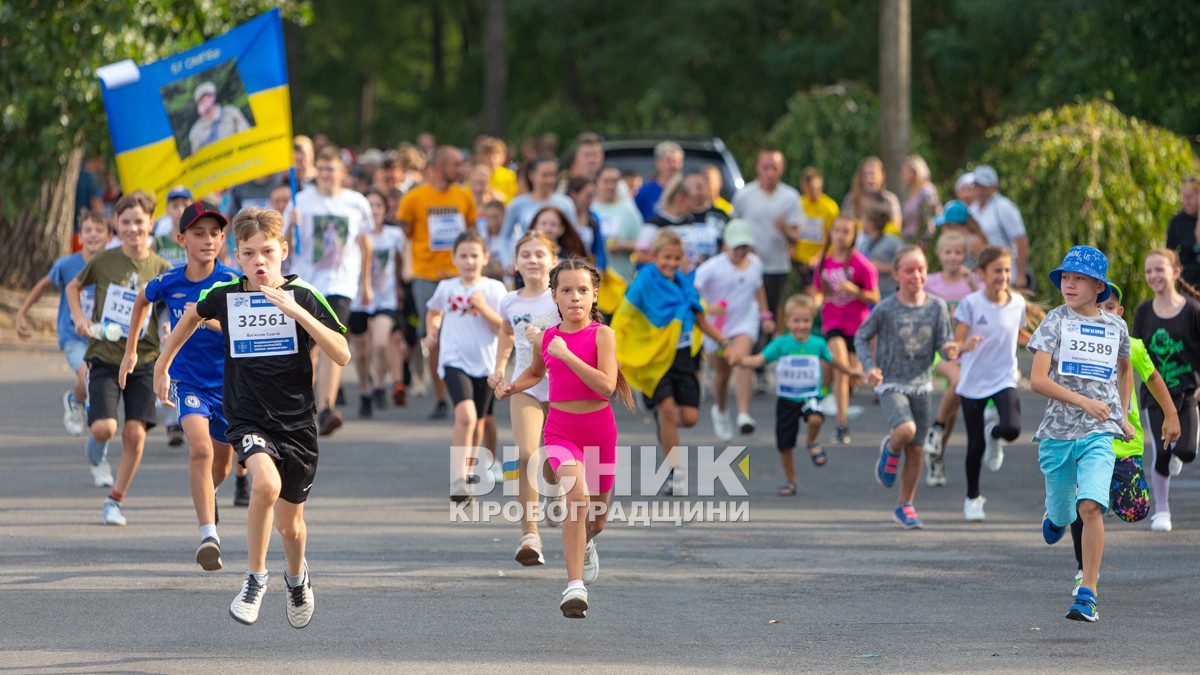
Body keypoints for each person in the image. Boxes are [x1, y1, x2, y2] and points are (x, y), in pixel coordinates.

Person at [156, 206, 349, 627]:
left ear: (283, 249)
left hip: (296, 423)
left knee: (292, 526)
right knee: (264, 481)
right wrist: (161, 364)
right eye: (248, 253)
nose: (258, 261)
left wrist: (296, 313)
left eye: (266, 251)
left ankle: (296, 578)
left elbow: (342, 352)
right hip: (246, 416)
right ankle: (254, 578)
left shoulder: (304, 295)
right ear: (237, 256)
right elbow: (192, 315)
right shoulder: (228, 295)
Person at [495, 257, 635, 618]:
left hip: (599, 431)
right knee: (577, 495)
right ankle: (575, 587)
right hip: (561, 430)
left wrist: (568, 355)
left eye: (583, 290)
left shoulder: (604, 335)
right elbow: (534, 372)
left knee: (597, 519)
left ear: (594, 296)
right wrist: (512, 387)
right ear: (554, 297)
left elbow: (605, 385)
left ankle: (586, 543)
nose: (575, 297)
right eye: (567, 291)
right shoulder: (549, 339)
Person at [121, 201, 239, 567]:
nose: (208, 240)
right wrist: (132, 351)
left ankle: (209, 495)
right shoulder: (169, 281)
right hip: (187, 382)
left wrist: (201, 319)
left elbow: (237, 330)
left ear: (223, 239)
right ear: (180, 238)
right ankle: (209, 536)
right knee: (200, 449)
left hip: (228, 384)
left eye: (215, 234)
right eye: (198, 234)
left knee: (221, 465)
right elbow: (142, 300)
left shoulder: (232, 282)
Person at [1027, 245, 1134, 623]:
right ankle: (1055, 515)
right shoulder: (1055, 321)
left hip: (1099, 432)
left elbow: (1125, 370)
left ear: (1098, 287)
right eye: (1065, 278)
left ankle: (1087, 592)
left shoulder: (1115, 326)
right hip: (1058, 432)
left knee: (1090, 506)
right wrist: (1083, 402)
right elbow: (1037, 380)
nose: (1069, 285)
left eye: (1079, 279)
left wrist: (1122, 415)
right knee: (1063, 512)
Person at [65, 190, 173, 526]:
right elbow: (73, 288)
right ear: (116, 224)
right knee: (103, 428)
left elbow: (169, 307)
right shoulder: (104, 260)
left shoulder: (161, 268)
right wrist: (80, 319)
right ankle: (96, 451)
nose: (132, 228)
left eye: (138, 221)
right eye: (125, 222)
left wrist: (168, 325)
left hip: (144, 360)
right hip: (106, 357)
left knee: (135, 435)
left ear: (150, 223)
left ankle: (115, 499)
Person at [1068, 282, 1179, 591]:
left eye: (1108, 308)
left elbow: (1154, 379)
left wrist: (1171, 415)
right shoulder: (1078, 344)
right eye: (1096, 308)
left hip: (1124, 444)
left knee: (1135, 509)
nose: (1102, 314)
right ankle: (1083, 570)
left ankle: (1107, 496)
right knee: (1085, 505)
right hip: (1087, 439)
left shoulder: (1134, 345)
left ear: (1119, 313)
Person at [613, 230, 731, 496]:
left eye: (677, 258)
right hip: (655, 359)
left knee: (688, 418)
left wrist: (726, 343)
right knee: (667, 410)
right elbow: (625, 317)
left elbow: (701, 317)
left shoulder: (685, 285)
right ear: (654, 256)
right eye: (666, 257)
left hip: (684, 357)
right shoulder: (644, 281)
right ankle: (674, 471)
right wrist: (615, 352)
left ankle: (664, 421)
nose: (671, 262)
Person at [857, 245, 957, 529]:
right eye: (909, 270)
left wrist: (951, 349)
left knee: (915, 450)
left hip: (922, 385)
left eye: (921, 269)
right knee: (905, 430)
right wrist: (869, 368)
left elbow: (943, 343)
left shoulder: (936, 306)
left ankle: (905, 505)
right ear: (897, 274)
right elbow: (862, 337)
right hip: (891, 382)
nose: (916, 275)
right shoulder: (887, 307)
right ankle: (889, 448)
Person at [284, 146, 373, 436]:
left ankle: (326, 408)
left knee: (331, 343)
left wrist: (366, 284)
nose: (325, 173)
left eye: (331, 168)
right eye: (321, 168)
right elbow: (282, 247)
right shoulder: (301, 201)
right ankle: (303, 406)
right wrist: (290, 226)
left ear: (342, 172)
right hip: (306, 282)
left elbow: (365, 244)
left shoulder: (356, 203)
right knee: (306, 348)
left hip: (340, 285)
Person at [15, 211, 112, 469]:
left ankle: (74, 400)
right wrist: (21, 315)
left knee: (88, 381)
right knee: (90, 377)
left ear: (108, 236)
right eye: (88, 230)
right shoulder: (67, 265)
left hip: (102, 338)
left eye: (99, 230)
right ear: (80, 235)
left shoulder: (112, 264)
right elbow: (42, 285)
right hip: (73, 337)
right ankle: (98, 450)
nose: (93, 235)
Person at [737, 295, 861, 495]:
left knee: (814, 419)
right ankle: (791, 480)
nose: (801, 325)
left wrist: (850, 371)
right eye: (796, 321)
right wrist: (740, 361)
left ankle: (812, 441)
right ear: (787, 322)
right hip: (787, 399)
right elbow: (759, 360)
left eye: (806, 321)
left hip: (810, 395)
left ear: (812, 320)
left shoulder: (818, 344)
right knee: (785, 445)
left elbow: (834, 361)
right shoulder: (781, 344)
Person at [490, 231, 561, 566]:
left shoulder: (560, 298)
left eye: (540, 254)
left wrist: (545, 338)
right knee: (526, 453)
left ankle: (556, 489)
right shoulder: (510, 301)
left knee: (553, 459)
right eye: (526, 255)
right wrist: (499, 369)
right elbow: (506, 332)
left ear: (553, 261)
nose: (533, 260)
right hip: (526, 385)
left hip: (562, 386)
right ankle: (529, 534)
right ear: (515, 263)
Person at [942, 247, 1026, 518]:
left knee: (1012, 429)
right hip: (973, 382)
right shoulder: (971, 303)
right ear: (981, 273)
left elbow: (1021, 334)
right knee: (974, 445)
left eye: (1007, 270)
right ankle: (973, 498)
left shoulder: (1018, 303)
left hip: (1004, 378)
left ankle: (996, 435)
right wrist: (964, 346)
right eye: (997, 270)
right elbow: (954, 347)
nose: (1003, 276)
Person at [424, 232, 506, 500]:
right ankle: (458, 478)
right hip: (454, 361)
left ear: (485, 258)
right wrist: (432, 330)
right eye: (463, 256)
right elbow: (433, 311)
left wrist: (483, 307)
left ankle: (468, 472)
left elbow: (503, 329)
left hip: (485, 365)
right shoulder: (447, 287)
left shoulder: (494, 289)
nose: (469, 261)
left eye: (474, 255)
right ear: (454, 258)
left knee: (479, 421)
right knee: (467, 416)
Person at [397, 145, 476, 420]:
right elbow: (405, 234)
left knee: (462, 332)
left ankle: (465, 392)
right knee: (435, 337)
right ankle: (442, 398)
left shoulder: (464, 196)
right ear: (441, 166)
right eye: (457, 164)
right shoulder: (414, 197)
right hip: (426, 278)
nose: (462, 169)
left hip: (459, 277)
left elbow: (471, 232)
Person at [1131, 248, 1200, 532]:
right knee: (1161, 452)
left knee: (1186, 452)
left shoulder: (1192, 311)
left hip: (1187, 393)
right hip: (1155, 396)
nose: (1153, 276)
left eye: (1159, 269)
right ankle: (1162, 511)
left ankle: (1180, 448)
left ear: (1175, 272)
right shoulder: (1144, 312)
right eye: (1149, 271)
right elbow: (1134, 352)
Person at [694, 220, 772, 441]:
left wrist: (764, 315)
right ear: (726, 245)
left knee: (741, 359)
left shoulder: (755, 264)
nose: (740, 251)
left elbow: (759, 288)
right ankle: (720, 410)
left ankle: (744, 415)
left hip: (744, 322)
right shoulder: (711, 268)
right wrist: (709, 307)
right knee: (722, 374)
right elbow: (691, 293)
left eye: (744, 246)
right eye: (736, 246)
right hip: (717, 326)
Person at [813, 216, 879, 445]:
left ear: (853, 237)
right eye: (837, 231)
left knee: (854, 373)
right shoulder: (823, 262)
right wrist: (815, 302)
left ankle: (838, 397)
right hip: (833, 321)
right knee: (841, 367)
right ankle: (841, 424)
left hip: (858, 326)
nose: (840, 235)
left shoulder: (861, 264)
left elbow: (875, 296)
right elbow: (819, 290)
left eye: (845, 232)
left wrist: (855, 290)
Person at [921, 230, 978, 487]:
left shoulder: (973, 282)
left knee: (954, 408)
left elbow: (990, 303)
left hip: (965, 349)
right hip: (938, 349)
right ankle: (934, 429)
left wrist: (974, 283)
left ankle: (936, 455)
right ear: (939, 255)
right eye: (948, 252)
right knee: (957, 379)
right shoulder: (930, 282)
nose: (953, 257)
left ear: (965, 256)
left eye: (958, 253)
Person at [349, 189, 407, 418]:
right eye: (370, 206)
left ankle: (380, 383)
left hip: (386, 297)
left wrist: (405, 277)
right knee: (361, 352)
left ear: (385, 210)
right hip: (358, 298)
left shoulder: (394, 235)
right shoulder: (356, 235)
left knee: (381, 343)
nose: (374, 210)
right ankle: (365, 389)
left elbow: (405, 255)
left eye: (378, 206)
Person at [731, 149, 802, 323]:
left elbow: (797, 235)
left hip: (776, 266)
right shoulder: (744, 195)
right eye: (766, 168)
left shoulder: (790, 197)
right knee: (747, 309)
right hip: (746, 264)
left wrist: (784, 228)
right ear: (757, 168)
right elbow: (732, 227)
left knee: (773, 308)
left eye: (775, 168)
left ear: (782, 169)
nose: (770, 173)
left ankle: (771, 342)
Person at [636, 176, 716, 274]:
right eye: (691, 200)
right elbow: (640, 255)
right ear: (680, 198)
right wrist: (672, 263)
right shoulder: (654, 224)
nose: (693, 206)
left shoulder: (689, 221)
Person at [968, 165, 1030, 289]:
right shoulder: (972, 209)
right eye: (977, 185)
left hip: (1007, 273)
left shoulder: (1004, 207)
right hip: (984, 275)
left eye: (984, 186)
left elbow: (1021, 240)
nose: (980, 190)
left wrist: (1020, 274)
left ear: (994, 187)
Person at [502, 157, 578, 251]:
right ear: (532, 175)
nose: (549, 180)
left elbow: (573, 237)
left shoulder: (566, 203)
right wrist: (507, 263)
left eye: (553, 175)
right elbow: (504, 237)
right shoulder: (517, 203)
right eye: (545, 175)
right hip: (529, 258)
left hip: (560, 260)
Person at [591, 165, 643, 285]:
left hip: (622, 282)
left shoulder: (629, 210)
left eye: (614, 181)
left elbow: (644, 244)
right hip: (592, 283)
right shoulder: (590, 208)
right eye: (606, 181)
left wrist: (623, 245)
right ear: (597, 182)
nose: (610, 186)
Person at [792, 167, 840, 292]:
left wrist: (820, 257)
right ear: (804, 187)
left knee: (815, 293)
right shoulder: (798, 203)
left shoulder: (830, 207)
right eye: (810, 189)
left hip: (821, 259)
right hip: (800, 259)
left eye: (817, 189)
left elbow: (831, 237)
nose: (814, 193)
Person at [859, 191, 904, 298]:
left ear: (872, 222)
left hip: (889, 293)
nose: (861, 223)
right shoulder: (864, 244)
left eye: (864, 220)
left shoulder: (892, 241)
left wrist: (885, 267)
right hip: (871, 293)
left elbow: (906, 262)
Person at [841, 156, 901, 236]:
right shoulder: (850, 200)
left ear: (882, 175)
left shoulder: (889, 200)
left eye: (872, 174)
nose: (869, 179)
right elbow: (842, 226)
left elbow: (895, 228)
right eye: (865, 175)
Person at [187, 81, 251, 155]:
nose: (206, 101)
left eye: (208, 96)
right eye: (202, 99)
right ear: (198, 103)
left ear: (214, 97)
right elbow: (196, 157)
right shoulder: (195, 130)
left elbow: (247, 135)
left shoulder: (231, 112)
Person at [1164, 175, 1200, 286]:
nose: (1186, 202)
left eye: (1189, 197)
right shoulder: (1177, 222)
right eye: (1184, 197)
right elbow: (1169, 253)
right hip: (1188, 284)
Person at [634, 141, 684, 220]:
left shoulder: (687, 191)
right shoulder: (645, 192)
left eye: (677, 161)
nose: (673, 166)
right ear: (658, 163)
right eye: (669, 161)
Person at [932, 200, 987, 270]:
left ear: (954, 225)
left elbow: (986, 265)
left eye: (945, 225)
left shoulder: (974, 241)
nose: (943, 229)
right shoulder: (953, 242)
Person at [565, 175, 607, 268]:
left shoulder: (593, 218)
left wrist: (598, 269)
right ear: (574, 195)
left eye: (593, 195)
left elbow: (599, 249)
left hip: (587, 269)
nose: (591, 200)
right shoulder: (562, 217)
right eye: (588, 195)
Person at [900, 155, 939, 243]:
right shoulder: (911, 192)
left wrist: (924, 240)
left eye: (906, 173)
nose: (903, 177)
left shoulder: (926, 191)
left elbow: (931, 217)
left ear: (916, 173)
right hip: (908, 238)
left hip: (922, 240)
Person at [151, 187, 194, 268]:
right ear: (167, 209)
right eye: (175, 206)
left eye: (185, 205)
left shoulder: (199, 240)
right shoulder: (158, 242)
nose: (181, 210)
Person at [477, 136, 517, 203]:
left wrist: (500, 198)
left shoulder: (510, 176)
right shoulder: (474, 175)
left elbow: (515, 199)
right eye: (488, 154)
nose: (492, 158)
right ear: (480, 157)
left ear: (503, 157)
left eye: (496, 153)